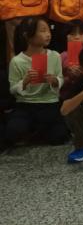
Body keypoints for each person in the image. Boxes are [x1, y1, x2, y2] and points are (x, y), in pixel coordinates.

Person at [6, 17, 68, 147]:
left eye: (48, 30)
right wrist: (25, 81)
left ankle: (37, 131)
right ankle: (34, 129)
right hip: (25, 104)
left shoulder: (55, 56)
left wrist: (54, 80)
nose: (48, 34)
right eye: (43, 31)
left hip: (50, 103)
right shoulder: (17, 61)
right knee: (13, 132)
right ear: (27, 36)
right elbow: (12, 89)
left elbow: (60, 79)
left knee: (59, 137)